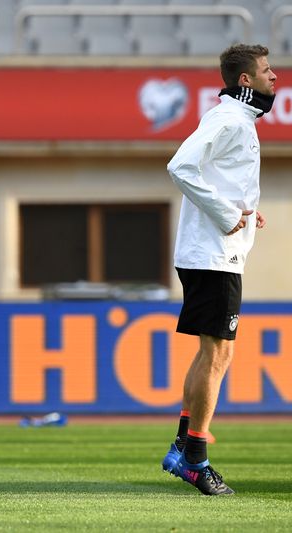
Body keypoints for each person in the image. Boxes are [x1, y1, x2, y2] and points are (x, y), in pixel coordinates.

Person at [162, 44, 276, 496]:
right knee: (218, 354)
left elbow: (220, 176)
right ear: (245, 80)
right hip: (212, 252)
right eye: (267, 71)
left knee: (214, 353)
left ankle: (181, 445)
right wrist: (229, 212)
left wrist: (247, 207)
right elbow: (181, 166)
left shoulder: (237, 120)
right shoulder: (229, 119)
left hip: (214, 251)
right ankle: (194, 458)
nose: (275, 78)